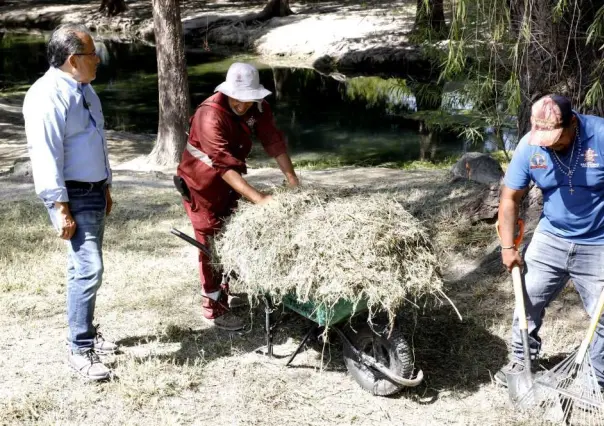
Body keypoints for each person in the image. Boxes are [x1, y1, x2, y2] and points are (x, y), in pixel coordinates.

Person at [23, 24, 117, 381]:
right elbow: (45, 155)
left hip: (93, 189)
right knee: (89, 269)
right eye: (93, 55)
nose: (97, 61)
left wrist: (106, 185)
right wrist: (59, 206)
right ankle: (79, 349)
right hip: (71, 193)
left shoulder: (86, 89)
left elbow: (97, 140)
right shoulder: (46, 95)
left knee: (84, 270)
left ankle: (88, 333)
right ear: (73, 59)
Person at [175, 62, 299, 331]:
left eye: (249, 99)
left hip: (230, 183)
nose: (243, 105)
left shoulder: (258, 106)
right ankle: (214, 307)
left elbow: (273, 140)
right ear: (228, 91)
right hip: (202, 186)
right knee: (210, 243)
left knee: (230, 234)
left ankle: (225, 290)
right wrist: (260, 199)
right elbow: (223, 165)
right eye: (238, 99)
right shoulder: (209, 116)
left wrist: (292, 181)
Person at [495, 94, 604, 387]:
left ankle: (597, 376)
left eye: (555, 137)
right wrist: (508, 247)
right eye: (542, 137)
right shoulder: (530, 146)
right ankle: (521, 360)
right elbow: (509, 198)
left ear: (573, 122)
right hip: (551, 236)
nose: (548, 144)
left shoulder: (600, 136)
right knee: (526, 299)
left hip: (599, 242)